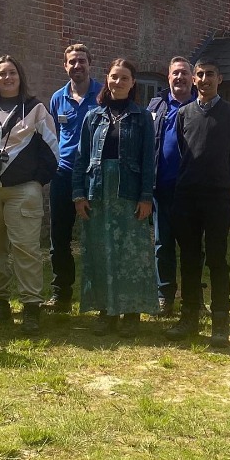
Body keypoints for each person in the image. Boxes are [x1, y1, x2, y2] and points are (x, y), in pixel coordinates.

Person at [0, 55, 59, 334]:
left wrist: (36, 181)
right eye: (1, 73)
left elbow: (52, 151)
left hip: (22, 191)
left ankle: (31, 307)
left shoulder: (36, 109)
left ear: (20, 76)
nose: (7, 77)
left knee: (25, 249)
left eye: (12, 73)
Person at [165, 58, 230, 347]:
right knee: (188, 259)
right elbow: (181, 152)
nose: (204, 79)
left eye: (209, 74)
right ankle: (188, 317)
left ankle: (221, 321)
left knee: (217, 259)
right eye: (199, 75)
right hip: (186, 196)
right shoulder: (184, 113)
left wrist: (225, 185)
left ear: (219, 78)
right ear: (194, 80)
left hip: (216, 197)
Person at [72, 59, 156, 336]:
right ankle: (106, 311)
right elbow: (81, 158)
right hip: (97, 191)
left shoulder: (142, 117)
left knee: (131, 254)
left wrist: (146, 197)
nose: (117, 82)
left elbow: (148, 161)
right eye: (113, 77)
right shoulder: (92, 116)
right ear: (106, 80)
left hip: (129, 193)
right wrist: (79, 194)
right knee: (100, 250)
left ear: (133, 83)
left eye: (124, 78)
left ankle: (132, 313)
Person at [44, 44, 102, 313]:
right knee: (59, 238)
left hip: (95, 175)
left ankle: (99, 296)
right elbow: (53, 135)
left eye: (82, 61)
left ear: (90, 64)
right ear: (64, 65)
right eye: (72, 62)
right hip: (64, 174)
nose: (77, 66)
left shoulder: (103, 94)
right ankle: (61, 294)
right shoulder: (57, 98)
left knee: (97, 238)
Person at [147, 56, 197, 316]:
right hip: (162, 189)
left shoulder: (201, 104)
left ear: (193, 77)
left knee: (191, 247)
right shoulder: (157, 105)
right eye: (175, 73)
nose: (179, 78)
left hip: (191, 190)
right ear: (168, 78)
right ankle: (164, 295)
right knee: (162, 244)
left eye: (184, 73)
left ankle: (194, 299)